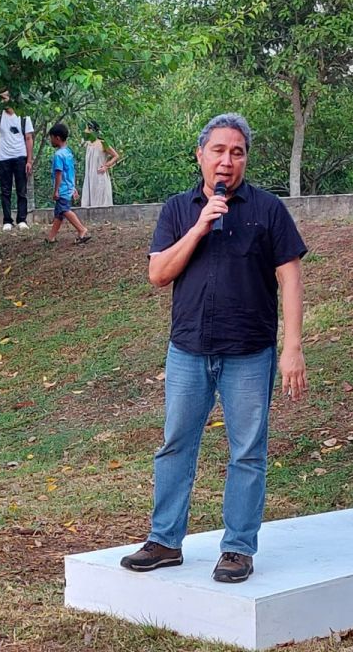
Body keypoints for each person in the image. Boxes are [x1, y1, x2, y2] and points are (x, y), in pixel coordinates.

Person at [119, 113, 309, 585]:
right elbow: (159, 274)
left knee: (247, 451)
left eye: (237, 152)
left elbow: (290, 276)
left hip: (249, 352)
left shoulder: (267, 210)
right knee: (175, 445)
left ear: (245, 159)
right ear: (200, 156)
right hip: (188, 351)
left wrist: (293, 346)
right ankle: (164, 541)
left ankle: (238, 549)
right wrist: (200, 227)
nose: (227, 161)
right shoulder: (179, 209)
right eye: (218, 151)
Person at [0, 90, 34, 231]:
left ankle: (22, 219)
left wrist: (29, 160)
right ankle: (7, 220)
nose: (3, 101)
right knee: (5, 191)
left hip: (20, 157)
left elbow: (29, 138)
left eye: (5, 98)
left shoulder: (24, 117)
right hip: (3, 158)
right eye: (2, 98)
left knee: (22, 190)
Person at [45, 123, 91, 245]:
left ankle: (82, 230)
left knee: (64, 210)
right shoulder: (68, 152)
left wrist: (56, 190)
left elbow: (59, 174)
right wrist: (73, 187)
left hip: (63, 188)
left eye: (52, 138)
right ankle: (51, 237)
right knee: (59, 213)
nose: (51, 140)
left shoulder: (58, 155)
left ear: (57, 138)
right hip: (68, 187)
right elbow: (71, 171)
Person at [80, 121, 122, 208]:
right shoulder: (87, 144)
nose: (85, 130)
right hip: (89, 176)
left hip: (99, 175)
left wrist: (106, 166)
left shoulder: (103, 143)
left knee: (100, 199)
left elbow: (116, 156)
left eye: (87, 128)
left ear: (92, 130)